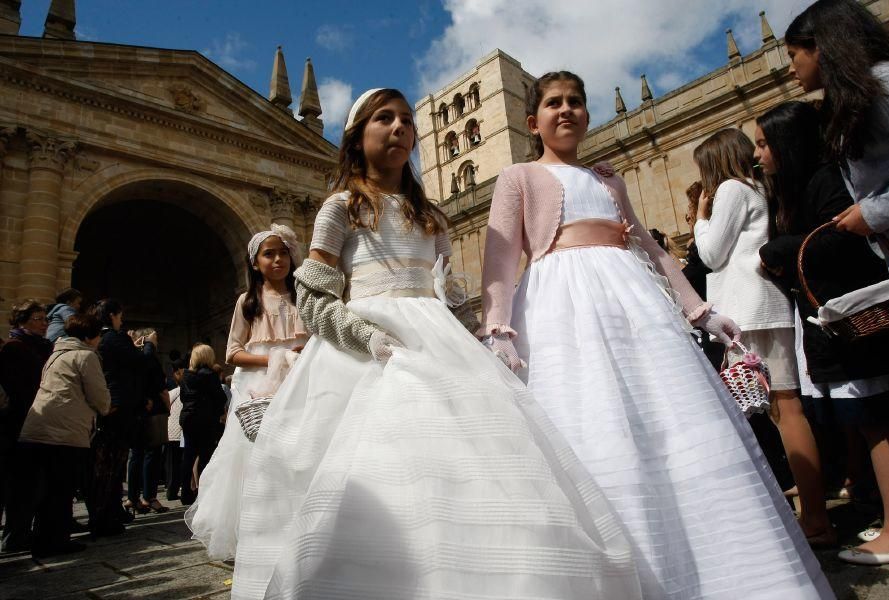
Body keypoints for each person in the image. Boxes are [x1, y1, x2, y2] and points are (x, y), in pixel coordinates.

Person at [229, 88, 643, 599]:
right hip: (364, 345)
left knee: (473, 462)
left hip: (437, 338)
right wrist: (367, 337)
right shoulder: (340, 208)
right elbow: (313, 298)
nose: (400, 126)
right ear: (358, 137)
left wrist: (478, 336)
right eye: (385, 118)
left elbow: (450, 292)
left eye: (407, 119)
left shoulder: (432, 216)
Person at [479, 71, 832, 599]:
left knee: (665, 420)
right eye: (554, 103)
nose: (567, 110)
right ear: (534, 121)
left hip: (630, 303)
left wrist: (701, 312)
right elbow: (500, 259)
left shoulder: (608, 179)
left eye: (576, 101)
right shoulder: (519, 177)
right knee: (590, 419)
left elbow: (652, 248)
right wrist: (498, 329)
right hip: (561, 305)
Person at [757, 99, 889, 566]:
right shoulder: (803, 187)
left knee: (878, 420)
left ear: (787, 143)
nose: (757, 154)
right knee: (865, 421)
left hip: (850, 319)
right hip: (833, 319)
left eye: (763, 144)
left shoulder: (824, 181)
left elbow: (837, 236)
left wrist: (777, 249)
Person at [693, 127, 833, 547]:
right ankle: (815, 514)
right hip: (767, 304)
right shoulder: (758, 187)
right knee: (787, 409)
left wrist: (702, 217)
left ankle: (808, 519)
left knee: (773, 413)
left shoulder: (732, 190)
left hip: (746, 310)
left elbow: (711, 254)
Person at [186, 223, 307, 560]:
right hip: (257, 385)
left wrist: (300, 358)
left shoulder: (302, 297)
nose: (278, 259)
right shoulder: (248, 301)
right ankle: (259, 528)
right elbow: (232, 352)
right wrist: (274, 359)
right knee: (255, 458)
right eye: (269, 254)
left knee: (300, 453)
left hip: (300, 380)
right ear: (255, 262)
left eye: (283, 253)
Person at [785, 0, 889, 276]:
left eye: (792, 55)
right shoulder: (861, 95)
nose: (790, 69)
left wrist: (872, 213)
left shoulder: (888, 85)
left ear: (821, 46)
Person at [3, 314, 110, 557]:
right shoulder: (85, 355)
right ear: (90, 337)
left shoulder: (55, 354)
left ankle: (40, 538)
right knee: (61, 488)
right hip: (63, 431)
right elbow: (99, 396)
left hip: (38, 427)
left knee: (45, 489)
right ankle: (55, 541)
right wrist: (104, 408)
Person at [87, 298, 143, 537]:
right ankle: (105, 517)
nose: (121, 321)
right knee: (113, 463)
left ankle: (108, 511)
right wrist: (144, 347)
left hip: (105, 405)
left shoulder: (97, 339)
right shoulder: (116, 338)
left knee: (106, 463)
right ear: (111, 315)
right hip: (119, 406)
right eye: (120, 316)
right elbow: (138, 364)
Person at [0, 300, 53, 549]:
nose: (45, 324)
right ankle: (15, 534)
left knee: (33, 481)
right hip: (20, 421)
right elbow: (18, 389)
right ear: (22, 320)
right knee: (21, 481)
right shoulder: (15, 347)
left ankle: (23, 531)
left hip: (39, 419)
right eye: (39, 319)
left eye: (45, 319)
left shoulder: (40, 346)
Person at [125, 328, 170, 515]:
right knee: (152, 453)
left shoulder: (130, 357)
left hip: (136, 408)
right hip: (153, 410)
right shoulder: (149, 356)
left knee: (136, 455)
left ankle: (132, 497)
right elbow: (161, 386)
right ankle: (149, 496)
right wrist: (167, 406)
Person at [178, 344, 228, 506]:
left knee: (189, 455)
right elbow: (220, 397)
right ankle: (204, 490)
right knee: (205, 455)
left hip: (188, 417)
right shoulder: (210, 375)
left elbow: (183, 397)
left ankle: (185, 491)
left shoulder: (186, 376)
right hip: (205, 418)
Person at [163, 357, 186, 502]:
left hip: (170, 432)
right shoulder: (182, 392)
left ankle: (171, 490)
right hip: (181, 432)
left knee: (171, 464)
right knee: (180, 462)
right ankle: (178, 489)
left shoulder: (172, 392)